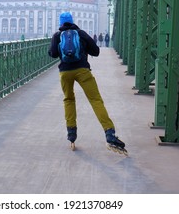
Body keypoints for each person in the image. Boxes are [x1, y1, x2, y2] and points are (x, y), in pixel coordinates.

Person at [48, 12, 126, 153]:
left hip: (65, 72)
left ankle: (71, 134)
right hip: (83, 71)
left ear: (61, 23)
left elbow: (53, 54)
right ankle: (109, 133)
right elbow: (96, 51)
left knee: (69, 100)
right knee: (96, 100)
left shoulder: (57, 36)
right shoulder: (81, 33)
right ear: (72, 21)